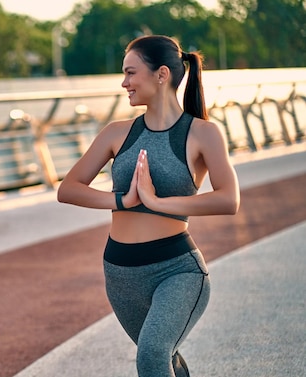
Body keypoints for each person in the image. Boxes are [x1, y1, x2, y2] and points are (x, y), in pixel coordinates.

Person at [57, 35, 240, 376]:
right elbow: (68, 189)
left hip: (176, 270)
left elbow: (229, 199)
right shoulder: (116, 132)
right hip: (120, 272)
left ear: (162, 75)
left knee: (152, 355)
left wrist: (158, 202)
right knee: (164, 359)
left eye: (130, 72)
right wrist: (121, 200)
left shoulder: (202, 133)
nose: (124, 82)